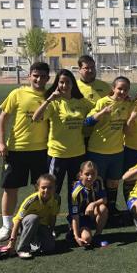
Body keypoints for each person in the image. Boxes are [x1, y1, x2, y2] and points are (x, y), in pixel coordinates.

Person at [0, 62, 50, 242]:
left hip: (41, 151)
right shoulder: (17, 93)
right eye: (35, 75)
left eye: (43, 76)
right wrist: (2, 142)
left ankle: (41, 224)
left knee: (41, 190)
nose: (38, 79)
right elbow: (3, 117)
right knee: (10, 188)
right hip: (16, 150)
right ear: (29, 76)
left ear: (48, 78)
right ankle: (7, 226)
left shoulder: (51, 96)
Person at [32, 69, 92, 201]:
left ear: (73, 84)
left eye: (68, 82)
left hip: (78, 153)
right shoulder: (54, 102)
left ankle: (74, 218)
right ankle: (48, 219)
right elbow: (36, 118)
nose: (64, 86)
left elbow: (98, 109)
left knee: (76, 190)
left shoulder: (81, 102)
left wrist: (119, 99)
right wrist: (48, 100)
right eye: (61, 82)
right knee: (52, 189)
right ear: (57, 84)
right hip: (58, 154)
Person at [84, 76, 133, 215]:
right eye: (119, 88)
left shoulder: (128, 104)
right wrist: (102, 113)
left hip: (117, 151)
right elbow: (87, 122)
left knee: (113, 183)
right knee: (95, 183)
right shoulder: (102, 102)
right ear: (113, 88)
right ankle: (91, 212)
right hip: (97, 151)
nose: (122, 92)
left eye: (125, 89)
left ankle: (111, 211)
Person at [4, 174, 60, 259]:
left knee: (49, 247)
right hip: (25, 224)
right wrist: (12, 242)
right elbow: (18, 220)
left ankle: (32, 240)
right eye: (43, 187)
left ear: (55, 187)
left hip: (41, 225)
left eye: (50, 187)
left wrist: (50, 232)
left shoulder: (57, 198)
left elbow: (53, 216)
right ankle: (23, 249)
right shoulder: (31, 200)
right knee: (33, 218)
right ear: (38, 187)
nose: (46, 190)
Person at [68, 161, 108, 248]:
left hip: (91, 213)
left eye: (93, 173)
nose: (90, 177)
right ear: (81, 174)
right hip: (80, 217)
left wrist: (93, 204)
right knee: (86, 239)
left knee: (103, 208)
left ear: (97, 173)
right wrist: (76, 237)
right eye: (87, 174)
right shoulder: (76, 192)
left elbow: (105, 199)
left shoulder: (98, 181)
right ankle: (73, 232)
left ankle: (98, 235)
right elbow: (75, 216)